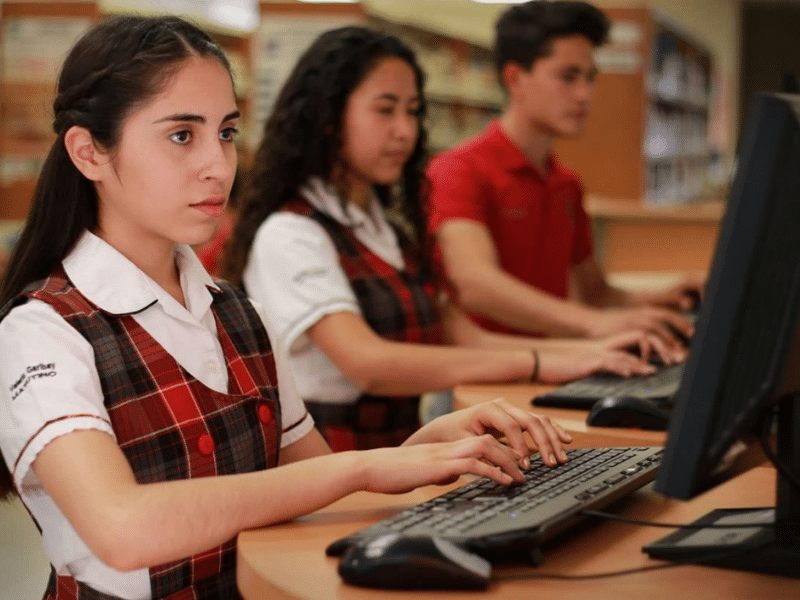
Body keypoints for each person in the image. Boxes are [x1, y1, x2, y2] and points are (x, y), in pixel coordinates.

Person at [0, 16, 575, 599]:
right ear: (89, 152)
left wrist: (430, 450)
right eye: (181, 135)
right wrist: (365, 466)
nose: (220, 166)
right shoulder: (41, 332)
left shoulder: (238, 314)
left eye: (226, 133)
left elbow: (318, 490)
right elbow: (121, 528)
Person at [222, 26, 676, 453]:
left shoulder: (386, 227)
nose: (406, 130)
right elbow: (369, 364)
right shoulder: (290, 233)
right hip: (334, 467)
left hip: (399, 459)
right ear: (327, 118)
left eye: (413, 111)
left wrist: (588, 355)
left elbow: (459, 333)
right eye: (385, 110)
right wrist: (540, 362)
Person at [427, 0, 702, 344]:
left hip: (550, 365)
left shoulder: (566, 184)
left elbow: (594, 293)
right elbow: (473, 285)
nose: (585, 95)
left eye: (590, 78)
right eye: (568, 77)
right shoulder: (458, 170)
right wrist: (591, 324)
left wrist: (660, 300)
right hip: (477, 377)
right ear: (515, 78)